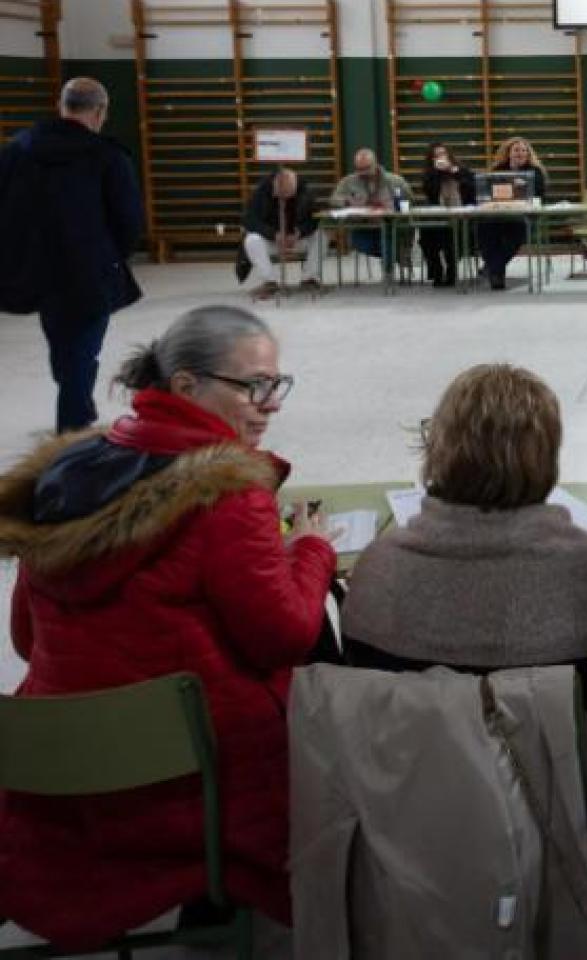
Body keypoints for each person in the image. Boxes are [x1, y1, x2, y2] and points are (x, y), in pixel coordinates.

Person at [0, 306, 335, 950]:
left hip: (57, 775)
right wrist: (311, 550)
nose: (270, 404)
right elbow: (285, 636)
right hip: (192, 783)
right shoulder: (229, 493)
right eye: (253, 386)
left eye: (276, 384)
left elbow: (24, 639)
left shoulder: (70, 472)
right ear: (186, 386)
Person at [340, 363, 587, 759]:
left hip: (415, 802)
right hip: (565, 802)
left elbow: (360, 667)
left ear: (438, 448)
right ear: (545, 458)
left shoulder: (378, 566)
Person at [0, 77, 143, 434]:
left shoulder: (18, 150)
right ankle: (73, 424)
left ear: (62, 106)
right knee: (83, 348)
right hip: (90, 268)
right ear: (99, 111)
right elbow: (127, 219)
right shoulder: (107, 155)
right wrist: (114, 256)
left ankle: (78, 403)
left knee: (63, 342)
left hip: (37, 267)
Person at [239, 166, 325, 300]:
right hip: (272, 241)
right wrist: (273, 234)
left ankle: (309, 278)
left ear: (295, 188)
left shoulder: (306, 192)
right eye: (281, 196)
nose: (284, 201)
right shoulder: (261, 191)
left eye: (288, 196)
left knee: (322, 235)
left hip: (296, 240)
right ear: (274, 186)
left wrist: (299, 232)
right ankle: (270, 282)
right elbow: (249, 220)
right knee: (251, 240)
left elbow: (315, 220)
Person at [329, 147, 414, 277]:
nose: (362, 172)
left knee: (388, 236)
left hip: (391, 224)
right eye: (359, 169)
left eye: (366, 168)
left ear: (376, 164)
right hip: (362, 226)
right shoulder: (348, 182)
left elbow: (410, 200)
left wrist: (392, 205)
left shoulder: (395, 181)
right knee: (384, 243)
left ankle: (388, 271)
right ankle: (397, 257)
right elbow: (334, 200)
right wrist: (347, 202)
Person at [478, 136, 547, 290]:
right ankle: (495, 271)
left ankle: (493, 268)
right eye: (516, 150)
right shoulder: (497, 170)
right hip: (498, 214)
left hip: (522, 216)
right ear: (508, 153)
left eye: (524, 150)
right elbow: (488, 192)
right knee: (484, 228)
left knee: (516, 233)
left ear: (528, 154)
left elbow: (539, 195)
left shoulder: (535, 172)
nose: (520, 153)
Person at [418, 142, 475, 287]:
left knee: (451, 236)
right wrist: (438, 172)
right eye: (436, 155)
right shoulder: (429, 175)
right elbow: (429, 191)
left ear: (449, 156)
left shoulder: (462, 170)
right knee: (425, 236)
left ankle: (451, 271)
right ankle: (436, 270)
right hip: (438, 215)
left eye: (443, 154)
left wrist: (452, 171)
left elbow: (471, 188)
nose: (440, 158)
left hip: (461, 215)